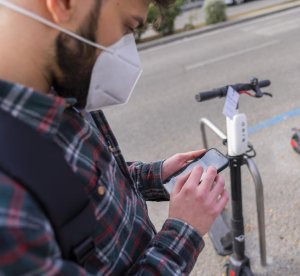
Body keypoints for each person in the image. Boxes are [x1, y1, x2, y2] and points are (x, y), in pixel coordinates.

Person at [0, 0, 229, 274]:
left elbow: (89, 186)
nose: (128, 50)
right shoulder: (8, 207)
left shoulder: (61, 82)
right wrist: (184, 230)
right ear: (63, 3)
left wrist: (155, 175)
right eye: (128, 26)